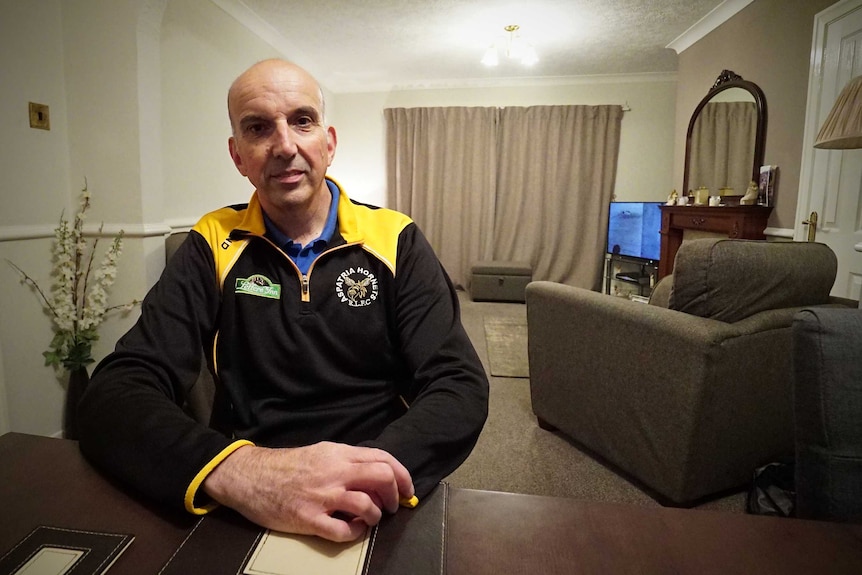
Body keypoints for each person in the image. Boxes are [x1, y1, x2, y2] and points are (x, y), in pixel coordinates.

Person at [77, 59, 489, 543]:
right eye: (258, 128)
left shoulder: (396, 237)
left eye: (302, 120)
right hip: (248, 494)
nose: (285, 146)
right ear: (238, 156)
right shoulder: (212, 241)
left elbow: (458, 384)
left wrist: (366, 476)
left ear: (328, 142)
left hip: (380, 489)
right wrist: (243, 473)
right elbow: (116, 390)